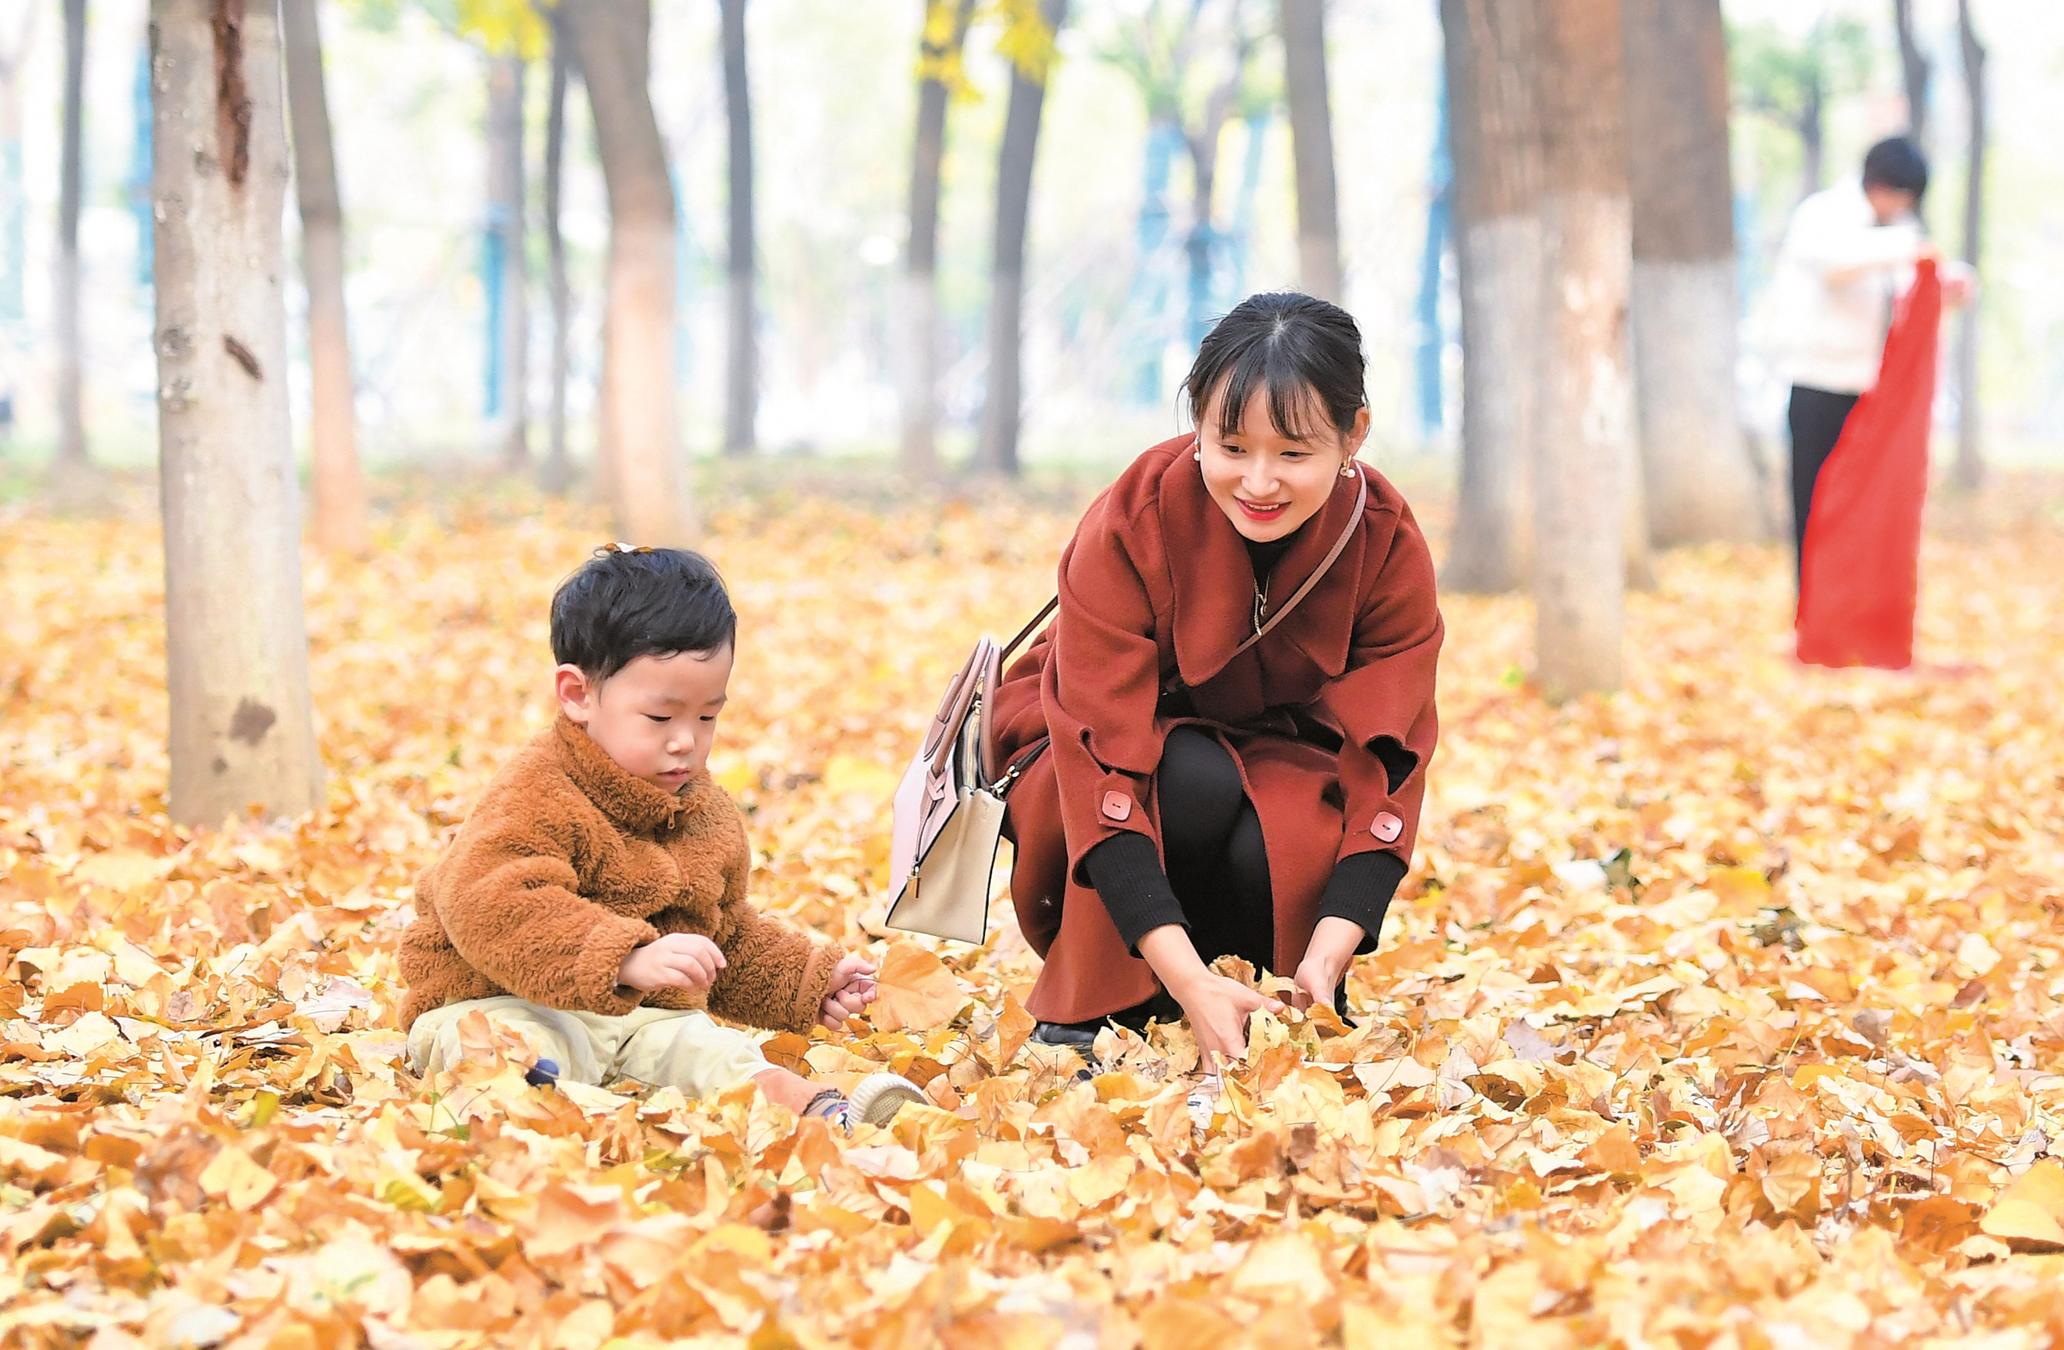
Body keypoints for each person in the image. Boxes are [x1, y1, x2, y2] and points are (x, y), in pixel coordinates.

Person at [990, 292, 1443, 1068]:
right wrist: (1187, 978)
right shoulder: (1134, 515)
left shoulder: (1385, 542)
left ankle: (1266, 987)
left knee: (1290, 818)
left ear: (1353, 435)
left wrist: (1331, 948)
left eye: (1293, 455)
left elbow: (1390, 762)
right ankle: (1118, 994)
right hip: (1095, 756)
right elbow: (1098, 756)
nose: (1259, 483)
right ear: (1197, 423)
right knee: (1193, 778)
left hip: (1278, 757)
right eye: (1232, 447)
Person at [399, 546, 924, 1131]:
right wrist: (624, 958)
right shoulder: (538, 790)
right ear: (577, 695)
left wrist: (805, 981)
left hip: (642, 1020)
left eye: (707, 717)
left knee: (714, 1053)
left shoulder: (704, 814)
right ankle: (563, 1114)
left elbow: (721, 935)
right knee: (504, 1051)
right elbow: (490, 902)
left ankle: (818, 1113)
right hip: (503, 999)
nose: (685, 741)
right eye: (659, 718)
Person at [1767, 134, 1975, 590]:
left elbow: (1912, 289)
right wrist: (1906, 247)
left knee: (1864, 507)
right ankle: (1812, 609)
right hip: (1817, 385)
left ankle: (1853, 607)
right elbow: (1836, 265)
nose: (1901, 208)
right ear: (1882, 186)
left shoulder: (1894, 233)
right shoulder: (1823, 215)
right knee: (1815, 505)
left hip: (1869, 392)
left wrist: (1952, 283)